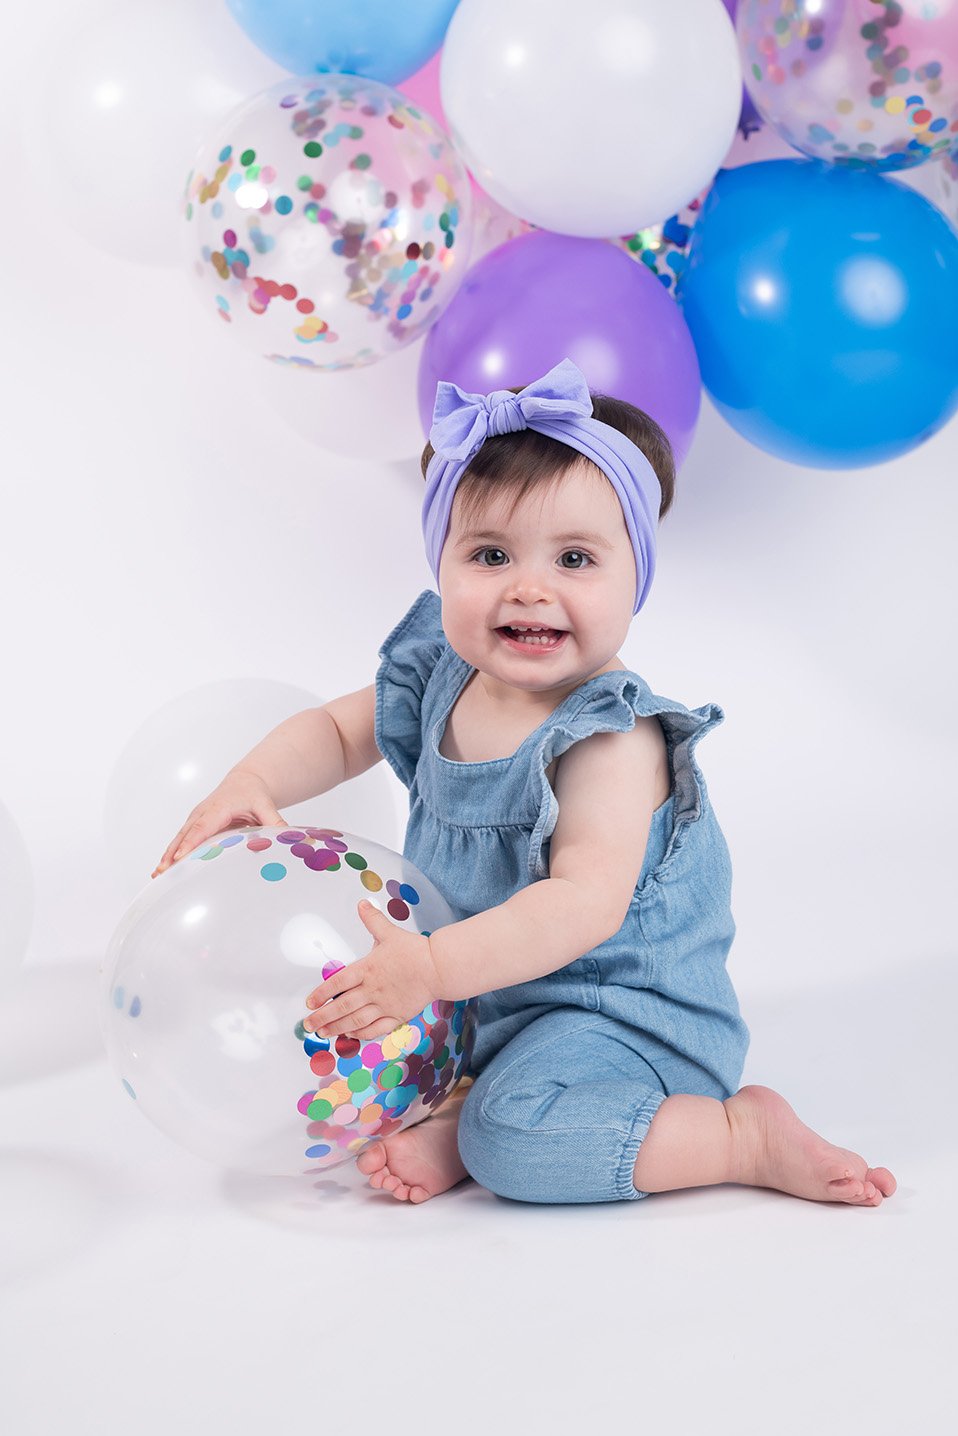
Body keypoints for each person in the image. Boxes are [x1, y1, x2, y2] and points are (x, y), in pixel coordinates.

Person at [152, 357, 897, 1209]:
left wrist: (429, 969)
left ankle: (734, 1136)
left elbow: (580, 905)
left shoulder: (609, 739)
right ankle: (460, 1104)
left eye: (576, 557)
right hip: (479, 995)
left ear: (636, 578)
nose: (530, 587)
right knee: (328, 1034)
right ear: (443, 566)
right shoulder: (440, 676)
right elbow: (334, 729)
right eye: (491, 553)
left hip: (618, 1019)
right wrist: (253, 778)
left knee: (517, 1143)